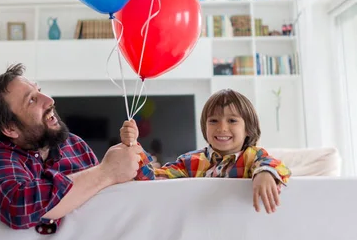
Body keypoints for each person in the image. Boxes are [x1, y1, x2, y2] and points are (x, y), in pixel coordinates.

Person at [0, 63, 147, 234]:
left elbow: (106, 199)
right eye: (32, 100)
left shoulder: (74, 145)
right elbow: (18, 206)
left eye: (39, 91)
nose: (49, 100)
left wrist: (128, 156)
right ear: (10, 129)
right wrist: (106, 171)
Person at [120, 89, 291, 214]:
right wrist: (133, 145)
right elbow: (154, 179)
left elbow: (278, 167)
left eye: (232, 120)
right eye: (213, 121)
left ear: (248, 129)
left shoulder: (254, 156)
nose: (222, 128)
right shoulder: (189, 162)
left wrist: (264, 174)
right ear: (205, 127)